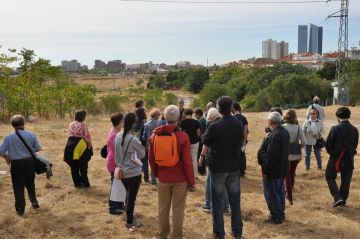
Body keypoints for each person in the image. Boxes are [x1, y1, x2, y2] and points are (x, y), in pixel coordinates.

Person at [148, 105, 195, 239]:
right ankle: (177, 236)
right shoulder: (183, 137)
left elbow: (151, 159)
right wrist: (191, 181)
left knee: (163, 208)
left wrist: (156, 174)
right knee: (178, 209)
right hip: (180, 179)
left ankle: (163, 235)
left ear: (164, 117)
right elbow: (187, 162)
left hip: (163, 178)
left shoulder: (154, 136)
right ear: (179, 118)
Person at [201, 96, 244, 239]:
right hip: (234, 166)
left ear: (218, 109)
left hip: (218, 167)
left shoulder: (214, 125)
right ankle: (237, 232)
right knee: (235, 201)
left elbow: (205, 141)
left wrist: (202, 156)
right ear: (231, 107)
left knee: (217, 202)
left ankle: (219, 233)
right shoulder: (238, 124)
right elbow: (241, 141)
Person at [0, 115, 41, 216]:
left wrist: (6, 157)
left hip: (16, 164)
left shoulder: (9, 137)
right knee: (30, 183)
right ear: (24, 123)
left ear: (12, 125)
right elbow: (38, 148)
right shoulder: (31, 135)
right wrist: (30, 151)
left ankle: (20, 208)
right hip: (30, 162)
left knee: (18, 186)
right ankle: (34, 201)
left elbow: (0, 151)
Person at [114, 112, 145, 231]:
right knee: (131, 198)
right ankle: (130, 221)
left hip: (121, 172)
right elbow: (142, 154)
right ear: (133, 124)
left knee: (127, 196)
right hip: (133, 173)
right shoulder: (133, 139)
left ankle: (129, 216)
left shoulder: (117, 136)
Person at [258, 112, 289, 224]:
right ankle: (281, 214)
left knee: (271, 194)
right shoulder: (284, 132)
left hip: (273, 170)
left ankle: (276, 217)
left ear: (270, 121)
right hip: (281, 168)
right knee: (279, 192)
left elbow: (270, 156)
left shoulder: (275, 136)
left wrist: (265, 168)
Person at [325, 107, 359, 207]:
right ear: (349, 116)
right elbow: (355, 144)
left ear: (338, 116)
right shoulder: (354, 129)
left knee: (329, 176)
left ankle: (338, 197)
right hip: (349, 158)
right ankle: (342, 200)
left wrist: (333, 154)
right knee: (346, 180)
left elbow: (328, 144)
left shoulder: (335, 129)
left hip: (336, 158)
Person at [199, 108, 229, 214]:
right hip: (225, 157)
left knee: (209, 181)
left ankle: (209, 204)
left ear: (210, 118)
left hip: (213, 158)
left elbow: (206, 143)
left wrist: (202, 156)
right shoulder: (225, 124)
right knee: (223, 182)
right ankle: (225, 206)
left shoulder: (211, 125)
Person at [64, 110, 93, 189]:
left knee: (74, 167)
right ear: (83, 117)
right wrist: (89, 145)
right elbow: (86, 136)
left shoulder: (71, 123)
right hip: (81, 145)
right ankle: (85, 184)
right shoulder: (83, 124)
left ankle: (77, 185)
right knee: (83, 166)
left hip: (70, 145)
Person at [282, 109, 306, 205]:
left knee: (286, 175)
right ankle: (289, 192)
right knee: (292, 174)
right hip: (296, 154)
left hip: (285, 154)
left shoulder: (283, 127)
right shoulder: (298, 127)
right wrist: (297, 147)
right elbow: (304, 142)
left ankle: (289, 196)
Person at [106, 112, 125, 215]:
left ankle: (119, 205)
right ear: (119, 122)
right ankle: (113, 207)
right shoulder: (115, 135)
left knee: (119, 185)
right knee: (115, 186)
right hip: (115, 163)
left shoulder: (114, 131)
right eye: (123, 121)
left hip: (114, 162)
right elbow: (118, 151)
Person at [141, 108, 161, 184]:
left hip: (147, 146)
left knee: (145, 162)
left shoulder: (146, 124)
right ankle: (153, 179)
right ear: (157, 115)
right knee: (154, 163)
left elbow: (143, 137)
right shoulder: (160, 124)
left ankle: (146, 178)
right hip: (157, 146)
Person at [180, 108, 200, 178]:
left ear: (185, 114)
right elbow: (198, 134)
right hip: (195, 142)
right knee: (194, 159)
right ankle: (195, 175)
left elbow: (180, 133)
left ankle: (185, 174)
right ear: (192, 114)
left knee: (185, 159)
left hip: (185, 142)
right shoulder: (196, 122)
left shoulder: (182, 122)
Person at [232, 103, 249, 177]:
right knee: (242, 154)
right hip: (242, 140)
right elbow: (245, 131)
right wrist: (244, 141)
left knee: (234, 155)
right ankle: (242, 171)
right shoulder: (244, 118)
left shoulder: (232, 118)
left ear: (233, 108)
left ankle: (236, 170)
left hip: (234, 140)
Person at [194, 107, 207, 176]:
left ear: (198, 114)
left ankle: (202, 170)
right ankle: (200, 169)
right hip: (201, 140)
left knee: (201, 155)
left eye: (195, 114)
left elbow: (200, 132)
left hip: (201, 140)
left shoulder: (201, 121)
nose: (194, 115)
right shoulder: (202, 120)